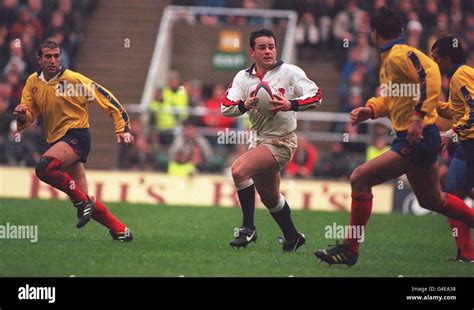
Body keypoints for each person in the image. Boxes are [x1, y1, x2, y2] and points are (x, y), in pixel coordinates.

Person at [314, 7, 474, 266]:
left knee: (360, 178)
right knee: (433, 199)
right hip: (420, 136)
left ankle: (350, 249)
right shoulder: (392, 59)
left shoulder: (401, 55)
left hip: (416, 137)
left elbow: (431, 73)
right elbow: (395, 99)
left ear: (375, 34)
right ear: (400, 30)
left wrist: (418, 117)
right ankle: (350, 249)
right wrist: (371, 109)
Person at [13, 40, 134, 242]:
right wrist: (21, 116)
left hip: (77, 136)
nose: (53, 60)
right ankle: (121, 231)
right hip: (58, 141)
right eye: (48, 57)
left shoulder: (72, 80)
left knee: (44, 168)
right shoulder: (33, 83)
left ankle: (81, 203)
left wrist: (123, 127)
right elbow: (29, 114)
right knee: (84, 198)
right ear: (39, 60)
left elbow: (105, 96)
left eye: (56, 56)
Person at [221, 28, 322, 252]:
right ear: (251, 51)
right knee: (270, 198)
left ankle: (248, 228)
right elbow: (225, 107)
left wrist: (291, 104)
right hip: (257, 142)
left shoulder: (290, 72)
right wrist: (245, 105)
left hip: (281, 142)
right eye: (262, 47)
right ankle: (293, 236)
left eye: (271, 46)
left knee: (238, 170)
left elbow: (316, 95)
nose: (268, 51)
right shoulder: (242, 77)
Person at [432, 36, 474, 262]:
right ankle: (467, 254)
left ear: (447, 59)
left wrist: (450, 133)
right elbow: (456, 110)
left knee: (455, 197)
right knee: (453, 197)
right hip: (466, 145)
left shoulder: (460, 76)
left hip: (471, 143)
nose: (433, 62)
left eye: (435, 57)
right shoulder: (458, 76)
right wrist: (432, 104)